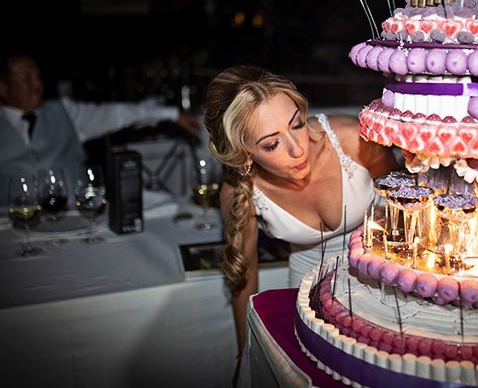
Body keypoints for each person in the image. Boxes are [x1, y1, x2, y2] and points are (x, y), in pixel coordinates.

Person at [203, 65, 397, 359]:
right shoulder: (240, 193)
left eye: (297, 124)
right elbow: (245, 278)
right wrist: (245, 356)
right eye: (272, 144)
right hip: (307, 292)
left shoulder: (353, 140)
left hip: (383, 279)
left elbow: (406, 212)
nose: (298, 149)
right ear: (244, 155)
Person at [0, 52, 201, 205]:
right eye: (26, 78)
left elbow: (118, 114)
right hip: (10, 225)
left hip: (72, 216)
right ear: (3, 87)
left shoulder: (64, 112)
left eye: (37, 76)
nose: (36, 84)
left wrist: (172, 114)